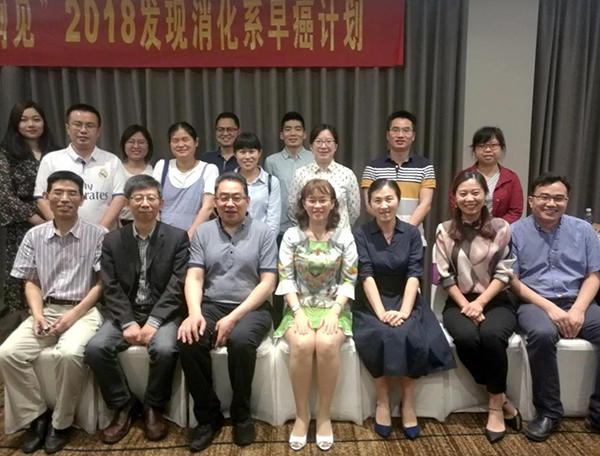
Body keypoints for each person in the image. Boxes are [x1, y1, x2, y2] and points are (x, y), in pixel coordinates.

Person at [0, 171, 105, 454]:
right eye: (58, 192)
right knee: (7, 353)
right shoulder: (34, 236)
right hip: (46, 308)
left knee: (69, 354)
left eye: (72, 193)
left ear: (82, 199)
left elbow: (101, 284)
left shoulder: (98, 235)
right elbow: (31, 280)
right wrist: (37, 314)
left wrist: (74, 315)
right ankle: (36, 416)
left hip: (85, 310)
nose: (64, 199)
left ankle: (61, 422)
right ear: (46, 197)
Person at [85, 175, 190, 444]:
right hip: (125, 312)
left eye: (151, 198)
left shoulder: (177, 238)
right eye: (138, 198)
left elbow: (177, 284)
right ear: (127, 204)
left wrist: (154, 321)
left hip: (164, 313)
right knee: (96, 348)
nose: (145, 204)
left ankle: (154, 406)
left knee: (165, 349)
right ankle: (124, 405)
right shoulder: (112, 240)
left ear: (161, 203)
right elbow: (110, 286)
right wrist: (127, 321)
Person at [178, 172, 277, 452]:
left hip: (252, 306)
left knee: (241, 341)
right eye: (223, 198)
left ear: (247, 201)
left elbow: (268, 283)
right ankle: (208, 415)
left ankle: (241, 414)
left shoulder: (264, 232)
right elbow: (195, 277)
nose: (230, 203)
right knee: (188, 339)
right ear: (215, 202)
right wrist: (194, 312)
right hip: (210, 304)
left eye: (236, 197)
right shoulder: (203, 232)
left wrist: (233, 318)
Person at [353, 178, 455, 440]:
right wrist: (380, 313)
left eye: (389, 199)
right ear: (369, 204)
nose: (384, 205)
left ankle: (408, 402)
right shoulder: (361, 234)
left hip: (405, 297)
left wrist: (405, 311)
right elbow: (365, 274)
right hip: (372, 299)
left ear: (398, 201)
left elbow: (414, 274)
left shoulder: (411, 233)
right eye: (377, 200)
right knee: (379, 333)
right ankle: (383, 400)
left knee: (410, 332)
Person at [509, 173, 600, 442]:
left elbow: (593, 275)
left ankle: (598, 412)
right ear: (531, 200)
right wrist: (550, 308)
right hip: (535, 302)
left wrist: (578, 310)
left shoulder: (584, 230)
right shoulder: (514, 232)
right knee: (542, 334)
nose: (551, 203)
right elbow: (513, 281)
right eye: (544, 197)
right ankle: (548, 412)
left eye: (559, 198)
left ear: (567, 201)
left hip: (577, 300)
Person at [435, 170, 521, 444]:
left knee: (492, 335)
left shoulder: (500, 227)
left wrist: (480, 303)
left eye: (475, 193)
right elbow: (443, 276)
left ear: (485, 195)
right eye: (463, 193)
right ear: (455, 197)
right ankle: (502, 397)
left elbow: (505, 272)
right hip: (459, 301)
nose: (469, 198)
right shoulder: (444, 230)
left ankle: (494, 407)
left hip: (495, 300)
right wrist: (467, 305)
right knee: (465, 337)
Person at [274, 179, 358, 451]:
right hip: (297, 306)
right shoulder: (291, 236)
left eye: (323, 200)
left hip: (334, 307)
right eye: (312, 200)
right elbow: (285, 277)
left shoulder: (344, 236)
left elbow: (349, 279)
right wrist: (297, 311)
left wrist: (335, 311)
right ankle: (302, 416)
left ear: (333, 204)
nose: (317, 205)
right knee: (302, 343)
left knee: (326, 342)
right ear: (304, 204)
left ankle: (323, 416)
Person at [0, 101, 59, 334]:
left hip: (59, 223)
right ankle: (31, 328)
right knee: (26, 279)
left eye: (36, 119)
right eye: (24, 120)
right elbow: (4, 195)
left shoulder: (56, 153)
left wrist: (55, 220)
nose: (31, 124)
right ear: (15, 124)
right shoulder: (6, 154)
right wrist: (38, 220)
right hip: (23, 228)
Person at [34, 103, 127, 229]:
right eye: (77, 125)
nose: (83, 130)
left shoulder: (112, 161)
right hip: (62, 234)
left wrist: (99, 232)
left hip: (104, 235)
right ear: (68, 128)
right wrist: (62, 229)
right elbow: (41, 198)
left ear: (98, 131)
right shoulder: (51, 160)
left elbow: (119, 198)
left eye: (90, 126)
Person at [361, 110, 435, 244]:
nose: (400, 135)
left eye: (406, 130)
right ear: (387, 135)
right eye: (395, 130)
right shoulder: (373, 167)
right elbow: (369, 205)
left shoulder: (425, 166)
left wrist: (404, 232)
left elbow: (425, 204)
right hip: (379, 239)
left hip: (413, 238)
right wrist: (390, 230)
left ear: (413, 136)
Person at [152, 122, 218, 239]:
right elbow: (153, 203)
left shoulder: (209, 169)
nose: (180, 144)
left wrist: (189, 236)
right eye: (175, 140)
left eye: (185, 139)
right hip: (163, 238)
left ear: (196, 142)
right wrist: (157, 233)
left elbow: (208, 207)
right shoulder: (162, 166)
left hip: (197, 237)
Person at [288, 124, 360, 229]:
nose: (323, 146)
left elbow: (354, 210)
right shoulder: (300, 174)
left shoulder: (347, 174)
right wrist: (305, 230)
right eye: (318, 142)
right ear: (311, 147)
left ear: (336, 146)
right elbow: (292, 208)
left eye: (328, 141)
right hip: (308, 235)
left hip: (339, 235)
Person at [449, 126, 523, 224]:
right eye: (482, 145)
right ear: (474, 149)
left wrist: (494, 226)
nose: (488, 150)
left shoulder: (511, 178)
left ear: (501, 148)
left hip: (500, 230)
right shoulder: (462, 176)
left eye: (493, 145)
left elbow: (515, 211)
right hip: (467, 228)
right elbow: (454, 204)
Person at [264, 111, 314, 239]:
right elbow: (268, 196)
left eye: (297, 129)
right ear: (281, 135)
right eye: (288, 129)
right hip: (281, 229)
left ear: (304, 134)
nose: (293, 133)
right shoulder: (271, 161)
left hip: (312, 227)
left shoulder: (314, 159)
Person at [233, 132, 281, 233]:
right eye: (242, 152)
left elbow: (273, 221)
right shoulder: (228, 182)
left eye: (252, 152)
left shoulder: (271, 182)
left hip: (263, 239)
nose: (247, 156)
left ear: (259, 153)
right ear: (235, 154)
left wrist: (266, 241)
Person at [117, 125, 154, 226]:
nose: (136, 146)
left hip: (149, 223)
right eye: (131, 142)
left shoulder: (155, 172)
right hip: (121, 223)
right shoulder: (116, 170)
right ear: (124, 145)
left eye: (141, 142)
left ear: (148, 146)